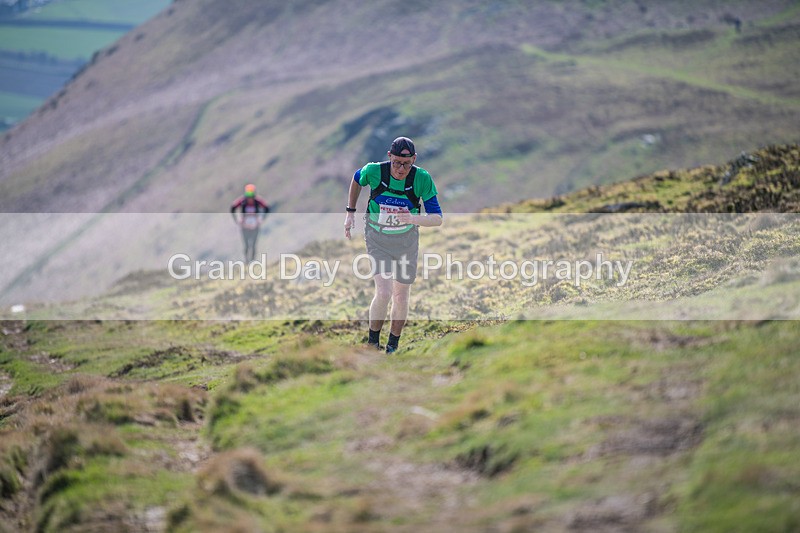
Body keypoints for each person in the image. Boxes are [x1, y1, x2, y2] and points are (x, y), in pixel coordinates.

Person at [344, 137, 443, 354]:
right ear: (389, 157)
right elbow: (356, 179)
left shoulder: (421, 178)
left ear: (414, 160)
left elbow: (437, 218)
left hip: (406, 241)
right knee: (384, 291)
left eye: (406, 164)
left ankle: (392, 347)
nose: (400, 169)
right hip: (377, 238)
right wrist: (350, 212)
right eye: (396, 162)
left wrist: (412, 219)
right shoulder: (374, 171)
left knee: (401, 295)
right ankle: (372, 343)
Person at [230, 183, 270, 262]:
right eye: (248, 193)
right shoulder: (242, 201)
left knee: (254, 244)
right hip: (245, 226)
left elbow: (266, 208)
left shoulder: (257, 201)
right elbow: (233, 208)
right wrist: (237, 220)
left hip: (255, 226)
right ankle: (247, 261)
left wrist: (261, 219)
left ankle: (253, 260)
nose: (250, 196)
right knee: (246, 245)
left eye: (251, 193)